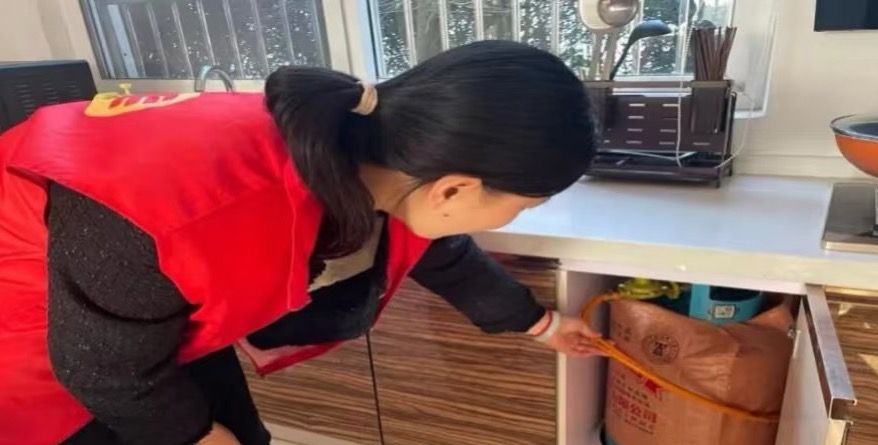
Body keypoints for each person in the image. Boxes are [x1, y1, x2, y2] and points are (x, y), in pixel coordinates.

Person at [0, 41, 597, 445]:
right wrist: (196, 437)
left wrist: (541, 325)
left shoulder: (368, 152)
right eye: (524, 205)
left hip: (141, 331)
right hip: (38, 349)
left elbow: (438, 250)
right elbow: (102, 371)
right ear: (455, 188)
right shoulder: (186, 211)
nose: (518, 216)